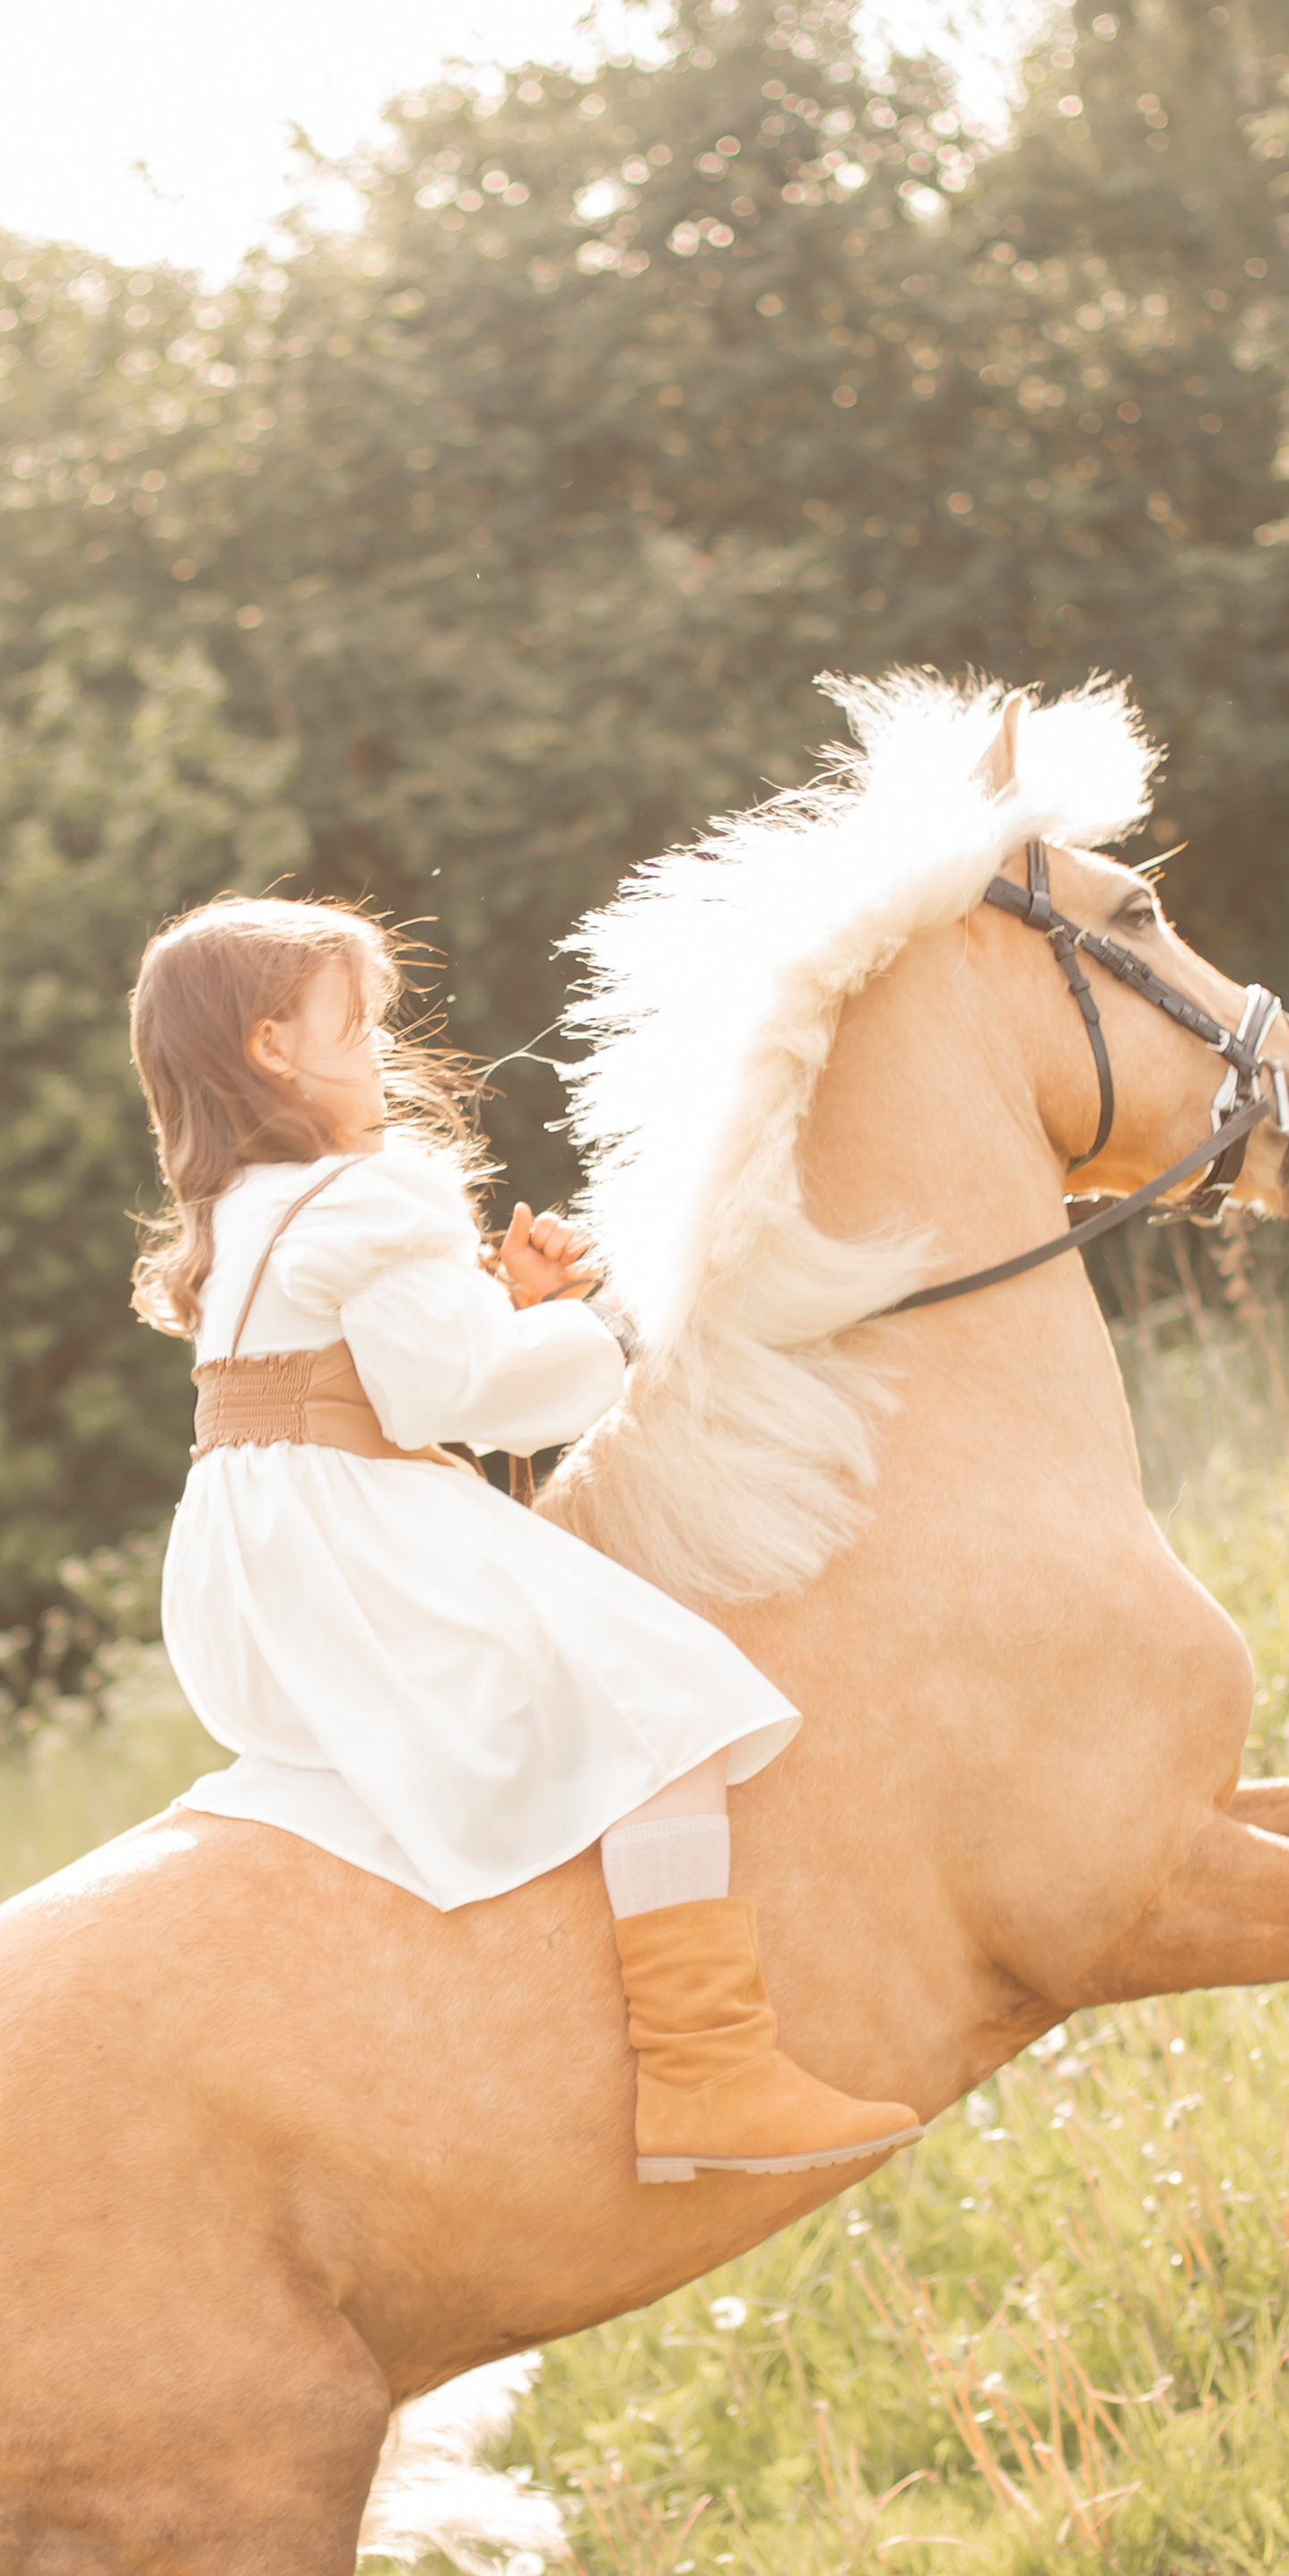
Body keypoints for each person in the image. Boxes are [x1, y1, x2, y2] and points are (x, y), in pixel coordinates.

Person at [129, 893, 919, 2185]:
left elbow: (377, 1365)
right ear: (274, 1049)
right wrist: (605, 1331)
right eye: (358, 1027)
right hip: (357, 1546)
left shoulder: (249, 1215)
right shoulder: (375, 1196)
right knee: (665, 1699)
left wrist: (502, 1310)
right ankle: (704, 2072)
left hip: (247, 1578)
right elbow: (456, 1398)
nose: (383, 1052)